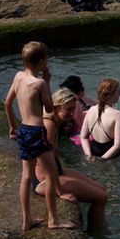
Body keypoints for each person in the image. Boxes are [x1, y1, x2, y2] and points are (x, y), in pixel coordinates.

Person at [3, 41, 76, 230]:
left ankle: (26, 220)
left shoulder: (18, 76)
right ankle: (53, 220)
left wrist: (13, 127)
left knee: (26, 176)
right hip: (37, 131)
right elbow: (50, 108)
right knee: (52, 174)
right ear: (42, 61)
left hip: (24, 130)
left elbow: (7, 103)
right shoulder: (40, 83)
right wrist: (49, 80)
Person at [36, 88, 109, 227]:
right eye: (68, 109)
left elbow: (53, 153)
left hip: (55, 171)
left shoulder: (54, 118)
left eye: (73, 109)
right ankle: (97, 232)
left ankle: (98, 224)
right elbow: (44, 159)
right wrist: (59, 191)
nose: (72, 113)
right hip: (44, 178)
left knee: (102, 189)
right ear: (57, 108)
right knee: (101, 197)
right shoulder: (49, 124)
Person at [80, 78, 120, 160]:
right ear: (110, 94)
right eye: (118, 92)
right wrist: (101, 160)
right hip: (112, 157)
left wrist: (89, 156)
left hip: (94, 150)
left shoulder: (91, 110)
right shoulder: (118, 115)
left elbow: (83, 137)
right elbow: (117, 146)